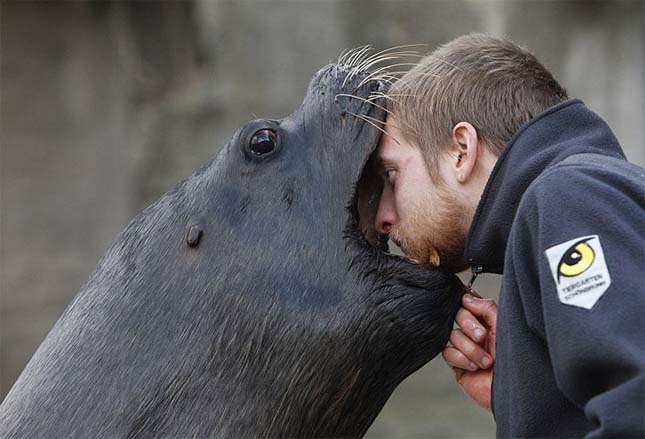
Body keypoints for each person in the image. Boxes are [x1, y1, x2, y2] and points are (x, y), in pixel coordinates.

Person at [372, 33, 644, 437]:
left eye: (392, 175)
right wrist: (528, 392)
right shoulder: (579, 198)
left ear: (461, 150)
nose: (383, 216)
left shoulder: (567, 197)